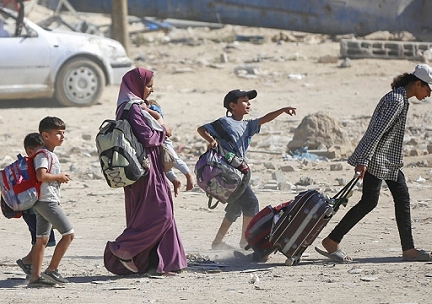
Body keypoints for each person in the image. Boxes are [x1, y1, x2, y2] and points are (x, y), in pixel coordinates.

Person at [316, 64, 432, 263]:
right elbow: (376, 132)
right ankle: (408, 250)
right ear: (418, 83)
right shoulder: (396, 100)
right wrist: (363, 161)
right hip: (379, 160)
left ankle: (333, 240)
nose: (429, 94)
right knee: (394, 199)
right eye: (428, 89)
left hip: (387, 160)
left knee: (375, 201)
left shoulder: (398, 98)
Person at [104, 67, 187, 276]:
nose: (150, 91)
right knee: (162, 214)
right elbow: (148, 137)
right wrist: (164, 130)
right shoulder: (132, 108)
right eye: (148, 86)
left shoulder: (131, 106)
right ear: (137, 85)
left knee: (147, 214)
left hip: (143, 167)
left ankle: (158, 264)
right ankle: (123, 248)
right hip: (145, 169)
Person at [197, 89, 296, 250]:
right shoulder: (224, 123)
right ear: (232, 105)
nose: (249, 103)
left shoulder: (247, 125)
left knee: (236, 207)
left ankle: (218, 242)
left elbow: (264, 119)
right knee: (251, 202)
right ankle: (245, 242)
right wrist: (211, 140)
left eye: (249, 101)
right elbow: (202, 129)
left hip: (239, 173)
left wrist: (282, 110)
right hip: (228, 173)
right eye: (244, 100)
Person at [28, 117, 74, 287]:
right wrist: (59, 177)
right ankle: (52, 270)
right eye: (58, 133)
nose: (62, 137)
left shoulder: (49, 154)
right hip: (47, 201)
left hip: (41, 201)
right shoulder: (43, 154)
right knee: (68, 234)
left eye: (63, 133)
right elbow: (41, 176)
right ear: (45, 135)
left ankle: (35, 278)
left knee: (42, 240)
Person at [15, 133, 56, 276]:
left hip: (33, 207)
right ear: (30, 151)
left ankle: (29, 264)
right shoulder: (31, 165)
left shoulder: (33, 163)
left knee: (41, 238)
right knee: (41, 238)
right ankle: (29, 264)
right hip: (33, 208)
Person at [145, 99, 195, 196]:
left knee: (172, 159)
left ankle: (189, 175)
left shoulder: (151, 108)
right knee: (163, 164)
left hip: (163, 139)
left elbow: (159, 120)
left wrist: (147, 110)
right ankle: (175, 181)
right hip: (153, 141)